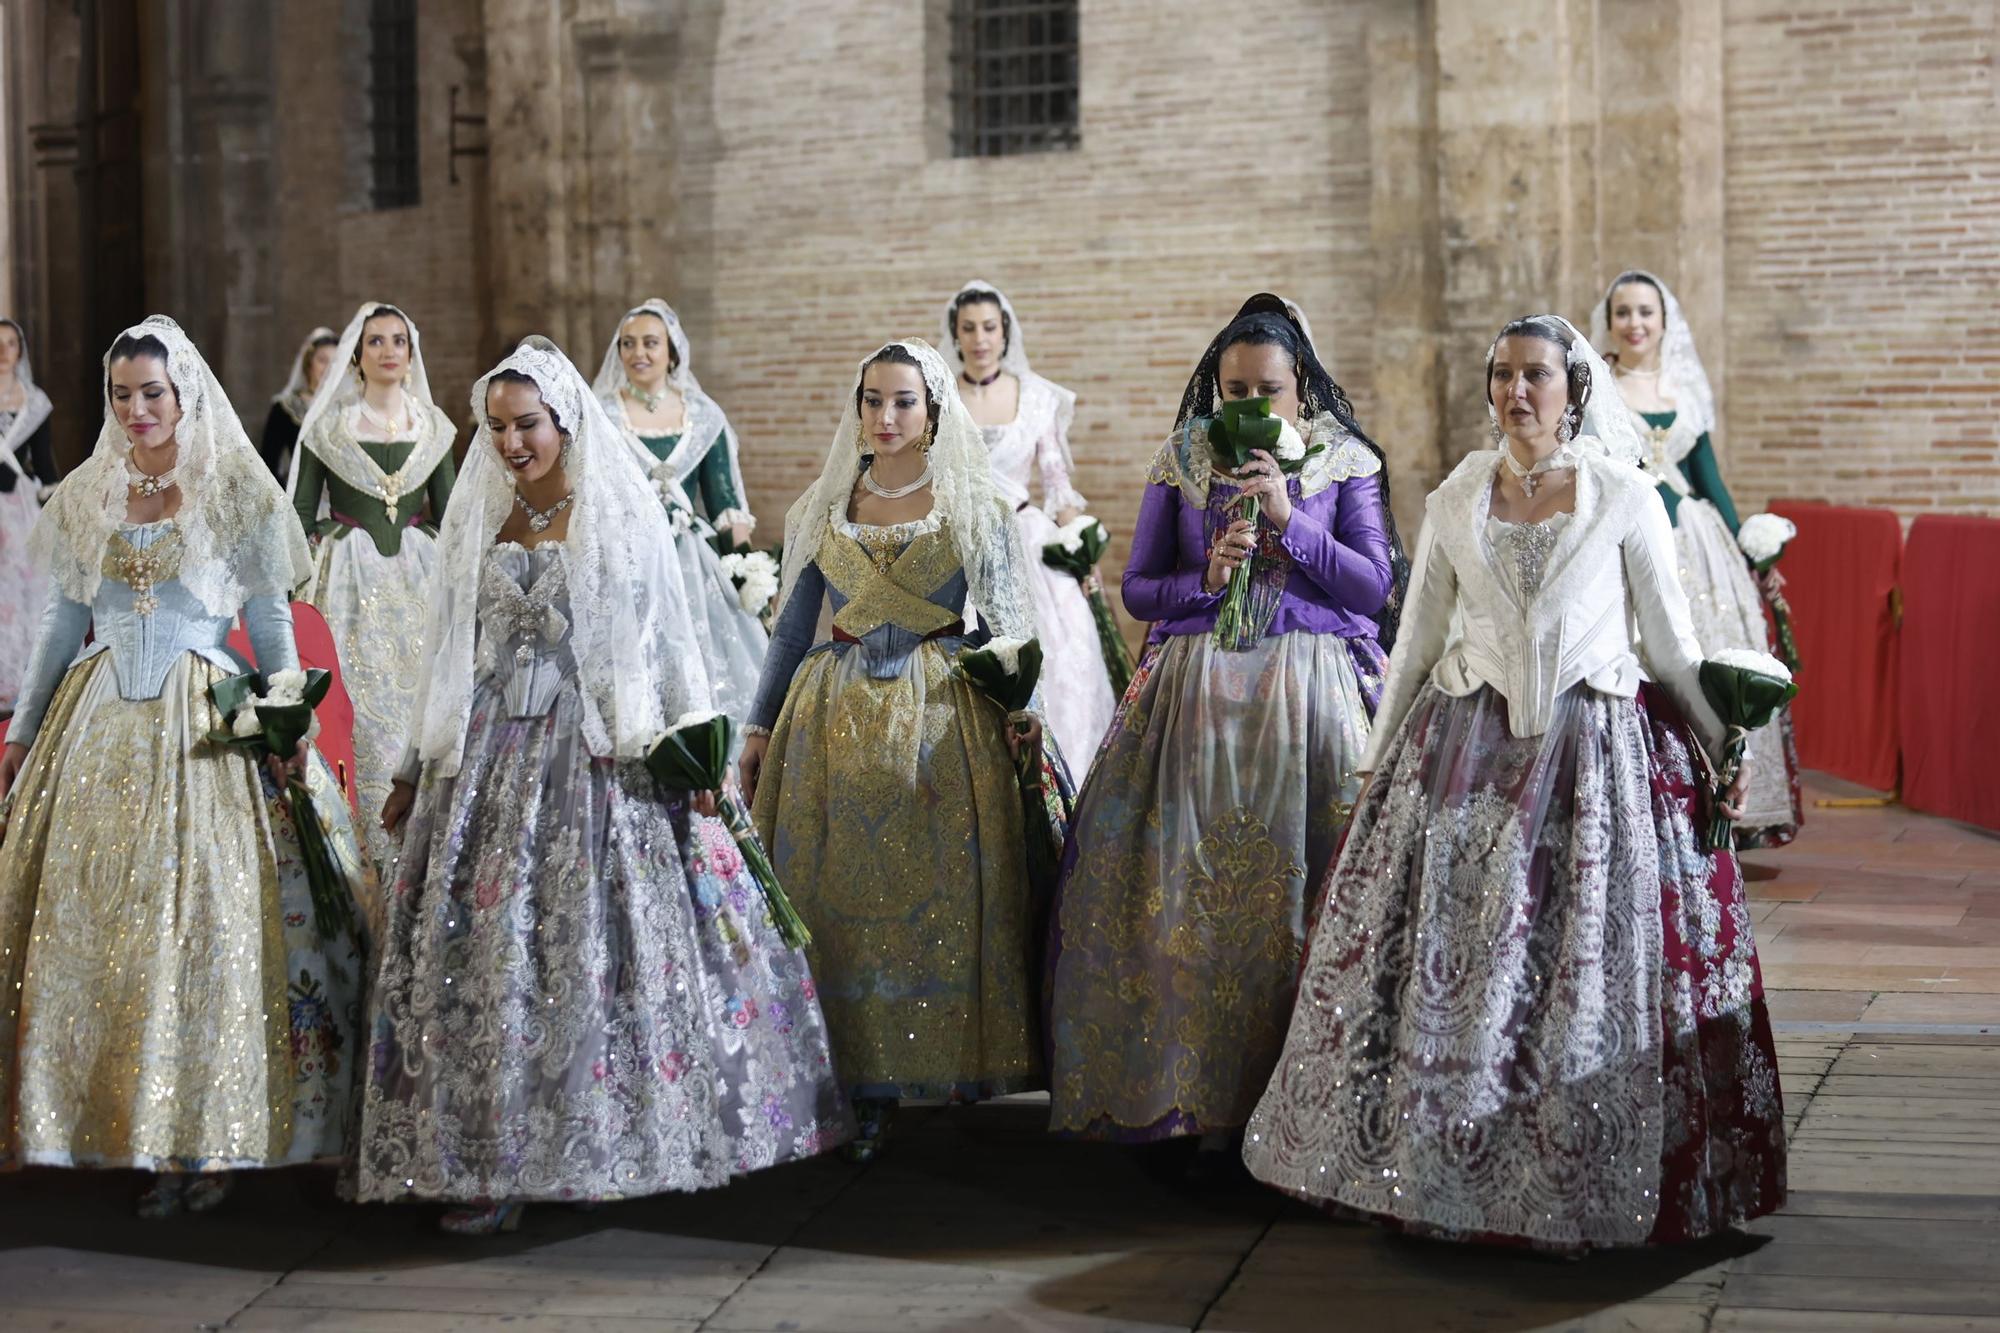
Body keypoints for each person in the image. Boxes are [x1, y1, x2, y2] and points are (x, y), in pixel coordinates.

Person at [1242, 315, 1786, 1249]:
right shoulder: (1458, 494)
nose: (1517, 391)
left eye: (1536, 375)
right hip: (1466, 750)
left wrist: (1719, 747)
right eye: (1502, 376)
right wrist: (1375, 765)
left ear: (1574, 387)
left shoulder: (1624, 494)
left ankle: (1580, 1173)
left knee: (1576, 969)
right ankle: (1455, 1176)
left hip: (1598, 756)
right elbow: (1414, 640)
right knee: (1471, 967)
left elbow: (1670, 646)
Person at [360, 337, 848, 1235]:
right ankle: (489, 1157)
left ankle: (612, 1133)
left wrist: (696, 754)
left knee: (592, 948)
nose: (512, 443)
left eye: (528, 426)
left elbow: (669, 639)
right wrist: (408, 766)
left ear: (565, 422)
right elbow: (445, 653)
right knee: (492, 959)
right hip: (490, 758)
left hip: (596, 755)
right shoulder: (478, 521)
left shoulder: (613, 514)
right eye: (498, 427)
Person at [0, 316, 369, 1217]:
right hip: (95, 722)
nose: (136, 412)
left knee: (203, 922)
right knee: (101, 919)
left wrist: (287, 723)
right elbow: (58, 627)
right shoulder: (90, 491)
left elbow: (272, 623)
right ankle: (124, 1128)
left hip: (205, 718)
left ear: (185, 394)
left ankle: (210, 1136)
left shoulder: (233, 489)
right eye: (121, 396)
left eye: (151, 394)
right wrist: (22, 734)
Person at [1045, 295, 1400, 1178]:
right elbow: (1137, 589)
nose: (1251, 403)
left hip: (1310, 697)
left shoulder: (1342, 458)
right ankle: (1197, 1092)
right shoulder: (1186, 454)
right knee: (1191, 893)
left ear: (1302, 385)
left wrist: (1290, 517)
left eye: (1269, 388)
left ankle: (1308, 1095)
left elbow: (1369, 588)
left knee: (1300, 894)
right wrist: (1205, 578)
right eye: (1234, 387)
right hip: (1196, 699)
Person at [740, 339, 1051, 1161]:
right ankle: (857, 1081)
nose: (884, 417)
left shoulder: (971, 504)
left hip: (943, 718)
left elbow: (1011, 619)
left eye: (902, 401)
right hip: (829, 724)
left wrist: (1024, 705)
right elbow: (790, 625)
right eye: (871, 401)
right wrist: (759, 724)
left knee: (934, 893)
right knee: (836, 898)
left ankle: (938, 1055)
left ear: (933, 409)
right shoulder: (821, 507)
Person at [1599, 270, 1801, 846]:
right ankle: (1658, 789)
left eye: (1645, 312)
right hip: (1632, 534)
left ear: (1665, 321)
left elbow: (1708, 478)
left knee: (1709, 651)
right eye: (1623, 312)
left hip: (1695, 536)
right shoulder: (1600, 388)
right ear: (1609, 321)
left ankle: (1732, 794)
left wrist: (1752, 551)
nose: (1634, 323)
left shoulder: (1685, 390)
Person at [289, 303, 457, 877]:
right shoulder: (328, 429)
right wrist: (323, 552)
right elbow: (299, 514)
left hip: (419, 575)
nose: (388, 350)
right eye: (375, 341)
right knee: (357, 704)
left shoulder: (434, 428)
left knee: (423, 694)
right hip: (346, 579)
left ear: (411, 356)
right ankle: (356, 843)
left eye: (399, 341)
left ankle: (428, 839)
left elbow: (453, 510)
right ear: (357, 357)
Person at [945, 280, 1117, 760]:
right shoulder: (938, 400)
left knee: (1064, 654)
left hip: (1026, 537)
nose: (980, 339)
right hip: (960, 540)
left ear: (1005, 334)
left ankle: (1060, 774)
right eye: (969, 328)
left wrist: (1079, 547)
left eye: (989, 328)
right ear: (956, 336)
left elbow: (1057, 484)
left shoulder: (1037, 397)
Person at [593, 300, 769, 720]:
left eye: (651, 343)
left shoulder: (705, 416)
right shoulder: (601, 415)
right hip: (625, 560)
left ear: (672, 351)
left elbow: (726, 501)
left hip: (691, 562)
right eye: (628, 344)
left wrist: (746, 571)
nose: (639, 353)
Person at [0, 319, 55, 711]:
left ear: (20, 350)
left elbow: (46, 463)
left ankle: (20, 675)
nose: (4, 352)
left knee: (24, 586)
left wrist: (56, 504)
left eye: (11, 344)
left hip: (18, 504)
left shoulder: (35, 402)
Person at [259, 326, 338, 479]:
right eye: (322, 360)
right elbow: (269, 464)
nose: (329, 368)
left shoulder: (350, 405)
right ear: (309, 364)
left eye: (334, 362)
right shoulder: (285, 407)